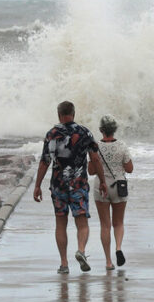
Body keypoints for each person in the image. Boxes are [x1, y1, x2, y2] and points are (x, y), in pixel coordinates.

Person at [34, 101, 107, 274]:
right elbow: (95, 159)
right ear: (73, 114)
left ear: (59, 115)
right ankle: (81, 250)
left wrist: (37, 185)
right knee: (82, 223)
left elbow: (45, 161)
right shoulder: (84, 132)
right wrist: (102, 180)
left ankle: (64, 264)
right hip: (79, 185)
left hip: (58, 186)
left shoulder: (52, 134)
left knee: (61, 223)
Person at [91, 115, 133, 270]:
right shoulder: (122, 146)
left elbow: (90, 170)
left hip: (101, 186)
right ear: (115, 130)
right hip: (119, 186)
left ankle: (108, 262)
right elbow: (129, 168)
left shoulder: (95, 146)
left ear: (101, 130)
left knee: (105, 225)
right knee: (118, 223)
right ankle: (118, 248)